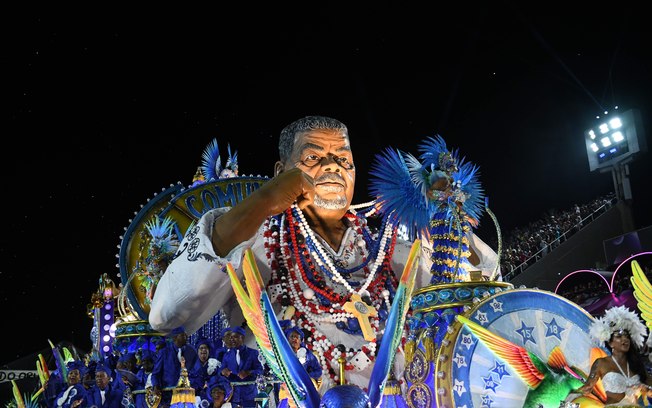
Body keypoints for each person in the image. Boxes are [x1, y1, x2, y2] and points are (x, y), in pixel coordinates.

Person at [149, 115, 500, 391]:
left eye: (343, 159)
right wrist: (261, 202)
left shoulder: (393, 254)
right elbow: (168, 316)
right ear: (280, 171)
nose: (332, 167)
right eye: (314, 157)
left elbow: (476, 293)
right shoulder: (252, 250)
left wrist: (446, 213)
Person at [575, 306, 652, 406]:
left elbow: (649, 385)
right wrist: (572, 397)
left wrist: (644, 388)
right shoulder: (601, 363)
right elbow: (587, 387)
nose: (625, 339)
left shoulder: (636, 364)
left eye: (627, 336)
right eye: (619, 336)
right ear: (611, 343)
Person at [150, 326, 199, 408]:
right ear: (175, 338)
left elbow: (196, 371)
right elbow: (155, 373)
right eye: (182, 335)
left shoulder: (191, 351)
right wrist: (156, 385)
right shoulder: (164, 353)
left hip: (186, 397)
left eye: (185, 335)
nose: (186, 337)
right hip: (168, 396)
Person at [219, 326, 264, 408]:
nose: (232, 339)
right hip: (234, 396)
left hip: (249, 395)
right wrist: (223, 372)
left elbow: (260, 370)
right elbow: (220, 370)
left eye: (235, 337)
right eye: (231, 337)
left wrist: (248, 372)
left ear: (242, 338)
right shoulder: (227, 355)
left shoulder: (253, 353)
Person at [277, 326, 323, 407]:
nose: (294, 338)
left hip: (304, 390)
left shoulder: (308, 355)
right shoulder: (281, 355)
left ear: (301, 340)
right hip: (286, 389)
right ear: (287, 339)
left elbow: (318, 371)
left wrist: (307, 376)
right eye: (292, 336)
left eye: (297, 337)